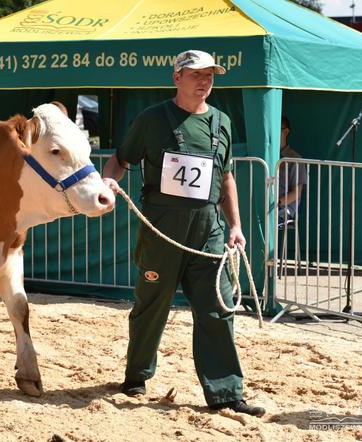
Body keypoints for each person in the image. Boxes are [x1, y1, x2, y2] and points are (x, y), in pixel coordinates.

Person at [102, 50, 265, 417]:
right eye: (196, 74)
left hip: (209, 232)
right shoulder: (151, 119)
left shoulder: (221, 122)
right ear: (177, 77)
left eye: (210, 75)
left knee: (217, 310)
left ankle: (226, 391)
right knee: (151, 304)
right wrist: (108, 183)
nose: (204, 81)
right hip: (162, 229)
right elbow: (121, 158)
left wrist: (236, 226)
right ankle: (136, 376)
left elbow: (225, 178)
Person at [278, 116, 307, 226]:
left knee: (264, 222)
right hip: (263, 208)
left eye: (276, 129)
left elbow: (296, 193)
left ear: (285, 132)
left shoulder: (295, 159)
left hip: (283, 210)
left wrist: (276, 203)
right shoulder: (265, 157)